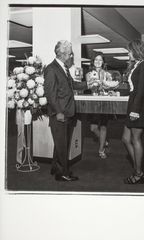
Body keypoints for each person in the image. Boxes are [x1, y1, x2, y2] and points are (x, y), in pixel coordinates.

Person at [44, 40, 87, 182]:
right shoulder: (51, 69)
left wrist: (89, 84)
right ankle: (63, 173)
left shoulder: (63, 68)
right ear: (62, 54)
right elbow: (50, 94)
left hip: (67, 111)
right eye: (69, 54)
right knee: (62, 144)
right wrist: (58, 112)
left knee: (60, 142)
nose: (71, 56)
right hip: (60, 113)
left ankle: (55, 167)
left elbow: (72, 85)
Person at [122, 39, 144, 184]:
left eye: (129, 50)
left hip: (139, 106)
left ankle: (138, 173)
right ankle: (138, 168)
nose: (128, 53)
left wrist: (135, 111)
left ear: (136, 50)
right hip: (133, 103)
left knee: (135, 139)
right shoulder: (136, 65)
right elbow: (132, 88)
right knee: (125, 138)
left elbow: (141, 90)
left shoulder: (143, 65)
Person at [86, 52, 111, 159]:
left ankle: (101, 150)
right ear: (93, 62)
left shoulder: (107, 74)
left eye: (100, 60)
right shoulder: (89, 74)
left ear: (103, 62)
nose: (98, 62)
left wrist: (106, 85)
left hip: (104, 102)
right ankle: (103, 140)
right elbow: (90, 87)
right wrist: (93, 83)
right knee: (93, 128)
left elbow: (110, 87)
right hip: (94, 102)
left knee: (104, 127)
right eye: (96, 60)